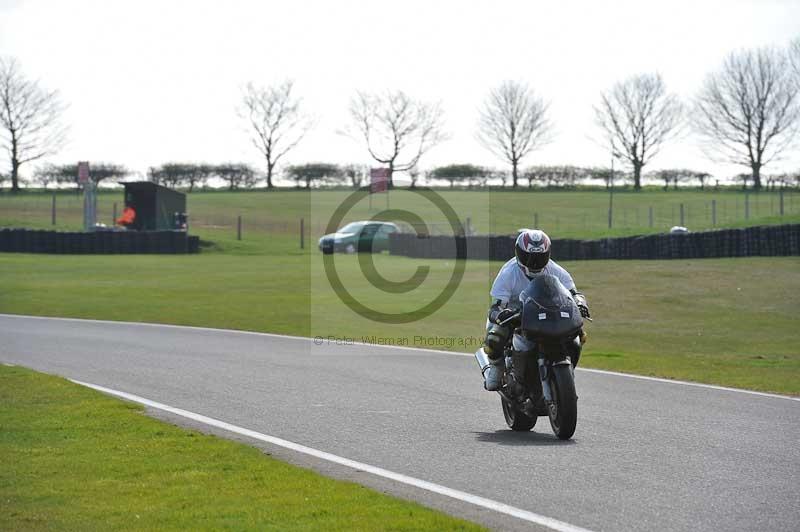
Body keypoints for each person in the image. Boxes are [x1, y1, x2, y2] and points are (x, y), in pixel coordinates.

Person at [480, 229, 590, 391]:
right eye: (530, 257)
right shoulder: (508, 273)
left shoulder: (555, 269)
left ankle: (567, 368)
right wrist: (502, 313)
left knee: (578, 333)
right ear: (519, 253)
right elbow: (496, 306)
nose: (535, 262)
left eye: (540, 257)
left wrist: (580, 304)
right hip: (516, 316)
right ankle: (496, 369)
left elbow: (573, 293)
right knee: (495, 336)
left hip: (547, 313)